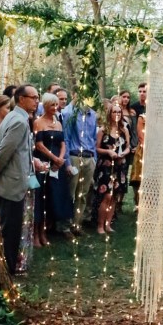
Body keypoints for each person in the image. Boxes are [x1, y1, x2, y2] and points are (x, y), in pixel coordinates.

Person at [0, 84, 46, 275]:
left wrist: (33, 161)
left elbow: (16, 151)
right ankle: (8, 270)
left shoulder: (17, 117)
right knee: (10, 232)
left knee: (11, 229)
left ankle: (8, 267)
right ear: (21, 99)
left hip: (14, 182)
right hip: (10, 185)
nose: (37, 101)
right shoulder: (19, 121)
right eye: (34, 97)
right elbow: (3, 152)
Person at [33, 92, 74, 245]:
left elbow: (63, 142)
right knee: (40, 197)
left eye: (56, 105)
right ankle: (36, 235)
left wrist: (61, 159)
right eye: (52, 105)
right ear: (45, 106)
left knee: (53, 197)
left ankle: (45, 232)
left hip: (58, 165)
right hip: (43, 162)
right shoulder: (38, 122)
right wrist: (54, 158)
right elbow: (39, 145)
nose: (55, 107)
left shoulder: (58, 123)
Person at [61, 93, 98, 232]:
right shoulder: (70, 113)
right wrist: (67, 162)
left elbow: (94, 139)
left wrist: (94, 159)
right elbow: (66, 139)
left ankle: (77, 224)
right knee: (70, 193)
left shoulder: (93, 115)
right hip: (75, 156)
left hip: (89, 157)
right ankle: (65, 226)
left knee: (83, 194)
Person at [94, 104, 128, 234]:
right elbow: (97, 148)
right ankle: (100, 225)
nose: (117, 114)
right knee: (106, 196)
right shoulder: (103, 130)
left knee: (114, 197)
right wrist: (108, 152)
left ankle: (108, 224)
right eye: (114, 112)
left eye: (119, 112)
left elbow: (128, 147)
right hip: (106, 165)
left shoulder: (124, 130)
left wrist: (124, 153)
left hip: (119, 166)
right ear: (110, 114)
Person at [129, 112, 145, 208]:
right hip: (143, 151)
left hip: (157, 150)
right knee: (138, 178)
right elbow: (140, 136)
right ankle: (137, 203)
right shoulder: (142, 117)